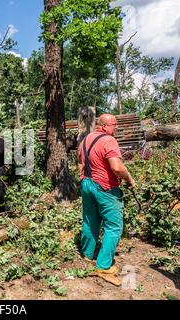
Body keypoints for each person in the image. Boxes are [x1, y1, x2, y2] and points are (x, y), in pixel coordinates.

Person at [78, 114, 136, 286]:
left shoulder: (86, 139)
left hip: (86, 184)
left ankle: (87, 254)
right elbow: (117, 168)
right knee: (114, 226)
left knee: (90, 220)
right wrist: (130, 179)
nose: (116, 128)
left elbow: (80, 163)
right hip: (105, 187)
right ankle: (103, 266)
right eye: (114, 125)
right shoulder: (108, 140)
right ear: (103, 126)